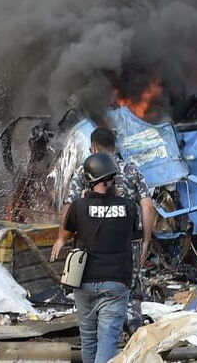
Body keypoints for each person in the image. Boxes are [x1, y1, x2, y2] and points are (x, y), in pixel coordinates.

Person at [55, 127, 154, 331]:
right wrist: (145, 241)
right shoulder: (131, 170)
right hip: (129, 242)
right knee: (131, 288)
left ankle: (99, 331)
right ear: (115, 146)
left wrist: (61, 238)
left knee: (93, 286)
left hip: (92, 242)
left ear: (93, 147)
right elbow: (147, 206)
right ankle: (133, 334)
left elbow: (69, 204)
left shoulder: (86, 172)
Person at [52, 152, 140, 363]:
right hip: (116, 283)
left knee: (89, 339)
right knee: (107, 341)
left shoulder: (79, 207)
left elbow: (67, 230)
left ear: (89, 180)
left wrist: (61, 240)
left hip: (84, 282)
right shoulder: (128, 207)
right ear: (112, 179)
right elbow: (133, 231)